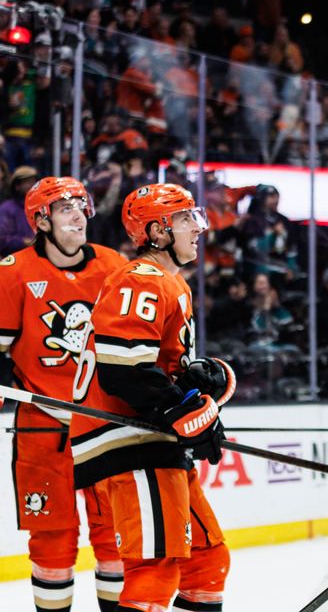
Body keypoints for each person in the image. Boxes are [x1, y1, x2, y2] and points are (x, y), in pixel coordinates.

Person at [0, 177, 129, 612]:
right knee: (52, 542)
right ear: (41, 220)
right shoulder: (14, 272)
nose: (77, 214)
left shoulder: (115, 267)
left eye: (80, 206)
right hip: (43, 427)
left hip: (108, 426)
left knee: (117, 537)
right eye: (64, 207)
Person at [70, 184, 232, 612]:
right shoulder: (141, 278)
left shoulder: (171, 284)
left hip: (150, 440)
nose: (197, 229)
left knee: (207, 561)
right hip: (127, 441)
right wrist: (183, 409)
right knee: (155, 569)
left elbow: (157, 370)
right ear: (157, 232)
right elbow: (124, 369)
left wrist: (202, 389)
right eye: (184, 220)